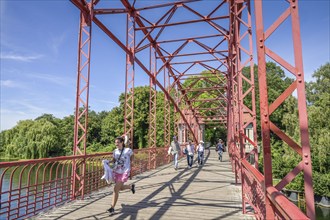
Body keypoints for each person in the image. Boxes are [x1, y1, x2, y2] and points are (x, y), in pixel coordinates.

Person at [107, 136, 135, 215]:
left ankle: (112, 207)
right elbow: (114, 160)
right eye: (115, 143)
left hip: (125, 171)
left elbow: (132, 156)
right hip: (117, 171)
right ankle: (131, 187)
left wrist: (131, 163)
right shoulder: (115, 151)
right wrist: (108, 162)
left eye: (118, 142)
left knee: (116, 189)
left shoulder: (128, 150)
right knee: (120, 188)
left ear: (122, 143)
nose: (116, 144)